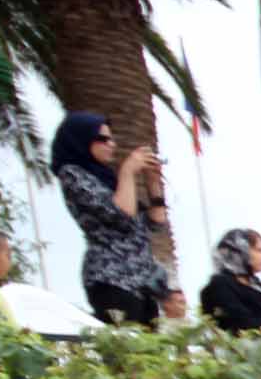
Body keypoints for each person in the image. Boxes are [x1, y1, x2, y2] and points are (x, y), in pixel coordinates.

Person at [51, 111, 180, 325]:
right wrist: (128, 171)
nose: (111, 144)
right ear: (81, 139)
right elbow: (121, 214)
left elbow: (155, 223)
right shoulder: (72, 174)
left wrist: (153, 182)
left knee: (149, 354)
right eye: (103, 139)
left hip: (142, 282)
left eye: (112, 138)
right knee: (128, 352)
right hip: (112, 279)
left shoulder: (107, 178)